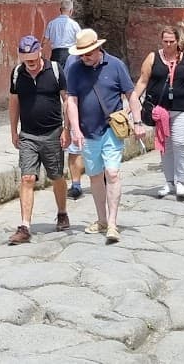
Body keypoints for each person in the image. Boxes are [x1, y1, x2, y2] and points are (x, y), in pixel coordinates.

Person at [64, 28, 144, 244]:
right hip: (88, 131)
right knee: (95, 176)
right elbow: (71, 101)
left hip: (111, 129)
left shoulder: (115, 65)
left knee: (112, 173)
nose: (84, 57)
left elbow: (131, 94)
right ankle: (101, 219)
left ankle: (112, 223)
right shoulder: (74, 69)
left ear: (98, 48)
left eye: (88, 53)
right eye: (81, 54)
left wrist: (137, 122)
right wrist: (74, 129)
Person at [7, 36, 69, 244]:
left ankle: (62, 212)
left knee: (56, 176)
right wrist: (13, 131)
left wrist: (67, 129)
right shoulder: (17, 73)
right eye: (27, 61)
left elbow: (66, 100)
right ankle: (25, 226)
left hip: (53, 133)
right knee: (27, 178)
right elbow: (14, 102)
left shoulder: (56, 70)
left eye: (33, 60)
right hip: (28, 135)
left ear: (40, 53)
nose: (31, 64)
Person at [132, 26, 184, 200]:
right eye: (165, 41)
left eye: (172, 41)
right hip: (160, 110)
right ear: (161, 41)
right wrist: (133, 101)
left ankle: (181, 181)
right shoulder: (153, 58)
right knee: (165, 148)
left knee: (180, 143)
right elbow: (143, 81)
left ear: (177, 41)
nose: (168, 44)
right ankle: (169, 181)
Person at [43, 1, 84, 198]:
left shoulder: (52, 23)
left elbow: (45, 40)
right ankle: (67, 102)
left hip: (56, 53)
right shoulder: (74, 25)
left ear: (60, 10)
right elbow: (79, 40)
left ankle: (64, 102)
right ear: (71, 10)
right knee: (66, 84)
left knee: (57, 81)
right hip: (69, 52)